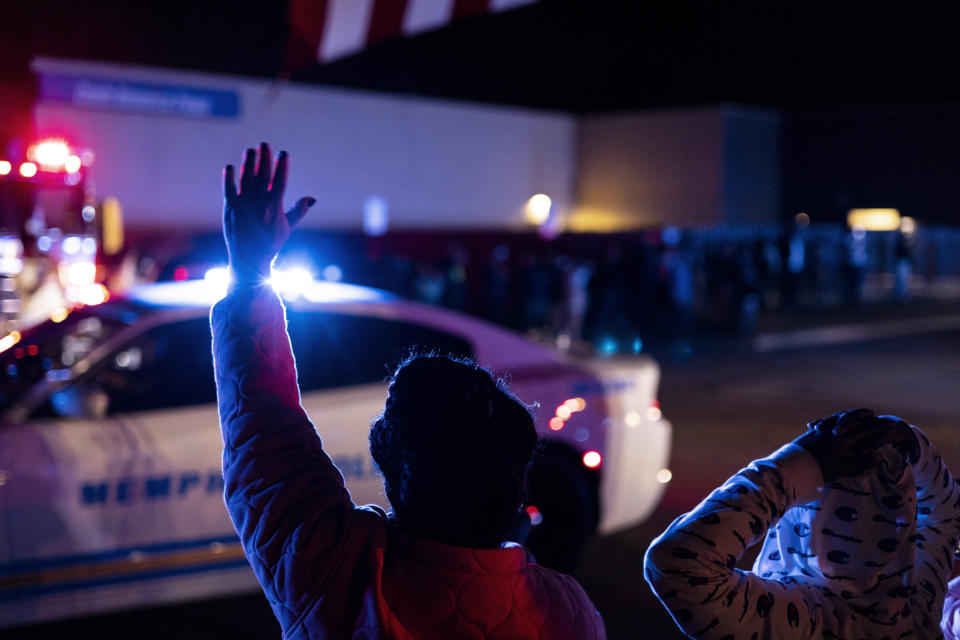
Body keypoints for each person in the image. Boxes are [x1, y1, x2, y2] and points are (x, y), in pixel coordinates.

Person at [211, 143, 606, 639]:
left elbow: (264, 428)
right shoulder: (567, 611)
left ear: (394, 469)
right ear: (518, 485)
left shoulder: (336, 571)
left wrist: (249, 270)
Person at [645, 409, 960, 639]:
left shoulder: (799, 621)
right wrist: (910, 446)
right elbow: (945, 517)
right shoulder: (914, 610)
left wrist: (802, 461)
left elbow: (678, 564)